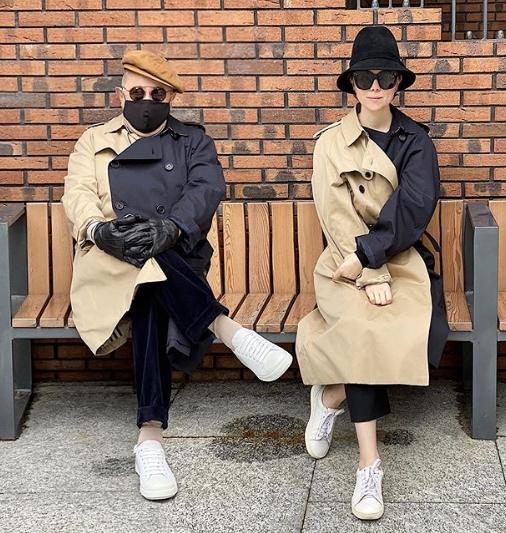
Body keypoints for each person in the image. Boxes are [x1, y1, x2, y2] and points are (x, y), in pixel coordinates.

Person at [61, 50, 292, 501]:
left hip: (177, 254)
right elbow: (78, 192)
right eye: (137, 92)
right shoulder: (93, 141)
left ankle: (149, 439)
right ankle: (225, 328)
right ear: (120, 94)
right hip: (106, 260)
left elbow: (207, 188)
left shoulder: (192, 142)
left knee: (152, 275)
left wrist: (171, 226)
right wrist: (98, 229)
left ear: (171, 98)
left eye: (158, 94)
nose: (147, 101)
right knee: (144, 269)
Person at [296, 25, 449, 521]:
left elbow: (415, 206)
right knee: (364, 333)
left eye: (385, 76)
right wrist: (366, 270)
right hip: (343, 261)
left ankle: (330, 396)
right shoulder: (330, 144)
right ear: (353, 85)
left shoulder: (415, 141)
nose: (376, 86)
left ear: (398, 82)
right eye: (365, 77)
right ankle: (369, 465)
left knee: (420, 340)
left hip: (399, 255)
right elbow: (335, 215)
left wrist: (375, 258)